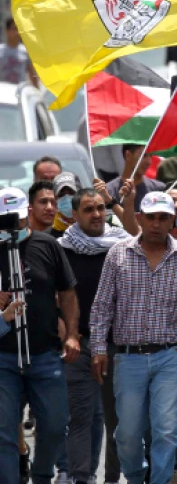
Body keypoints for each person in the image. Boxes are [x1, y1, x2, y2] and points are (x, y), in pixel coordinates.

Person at [90, 191, 177, 484]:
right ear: (140, 218)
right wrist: (97, 348)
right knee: (128, 433)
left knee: (167, 430)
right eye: (151, 217)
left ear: (173, 221)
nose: (157, 224)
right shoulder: (118, 253)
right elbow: (103, 304)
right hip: (128, 356)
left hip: (171, 355)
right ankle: (134, 477)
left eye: (164, 218)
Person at [0, 187, 80, 482]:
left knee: (56, 425)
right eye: (5, 220)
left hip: (45, 355)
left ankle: (43, 474)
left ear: (28, 215)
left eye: (17, 219)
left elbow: (68, 292)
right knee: (4, 432)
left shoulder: (47, 245)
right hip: (3, 357)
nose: (11, 227)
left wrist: (71, 334)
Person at [57, 188, 131, 484]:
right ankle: (81, 477)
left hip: (118, 345)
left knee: (119, 422)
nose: (97, 215)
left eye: (100, 208)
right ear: (74, 215)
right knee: (80, 418)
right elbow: (56, 296)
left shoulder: (122, 246)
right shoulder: (61, 249)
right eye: (88, 210)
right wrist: (67, 333)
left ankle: (112, 478)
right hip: (79, 343)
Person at [107, 145, 167, 212]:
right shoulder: (108, 191)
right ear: (128, 155)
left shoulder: (159, 190)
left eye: (151, 156)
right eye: (144, 155)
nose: (149, 162)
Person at [0, 18, 38, 86]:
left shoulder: (25, 51)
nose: (17, 33)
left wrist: (37, 90)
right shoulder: (1, 50)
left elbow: (32, 74)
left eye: (19, 29)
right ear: (7, 31)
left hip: (19, 92)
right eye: (14, 29)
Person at [51, 172, 80, 238]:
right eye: (61, 195)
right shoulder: (49, 236)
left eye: (71, 192)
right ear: (55, 199)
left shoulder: (94, 225)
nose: (67, 198)